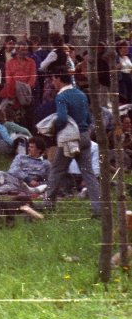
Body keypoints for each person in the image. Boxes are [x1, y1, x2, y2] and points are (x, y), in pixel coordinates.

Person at [41, 73, 101, 215]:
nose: (52, 83)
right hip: (85, 136)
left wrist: (56, 128)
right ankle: (98, 209)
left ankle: (48, 206)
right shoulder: (81, 94)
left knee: (56, 171)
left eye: (53, 79)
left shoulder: (61, 97)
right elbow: (88, 117)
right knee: (89, 174)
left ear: (59, 79)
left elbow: (61, 118)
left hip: (69, 138)